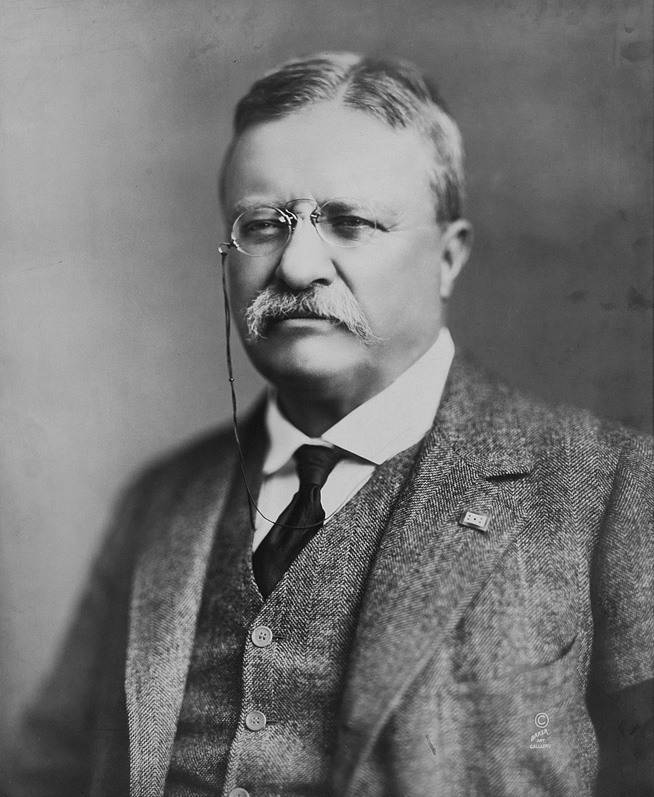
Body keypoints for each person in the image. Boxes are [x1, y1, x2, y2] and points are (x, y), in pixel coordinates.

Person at [7, 52, 653, 797]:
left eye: (349, 222)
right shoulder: (160, 499)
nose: (298, 265)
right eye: (263, 225)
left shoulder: (612, 486)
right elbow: (47, 771)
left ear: (448, 257)